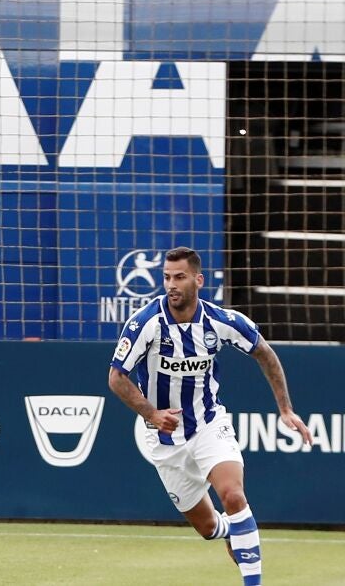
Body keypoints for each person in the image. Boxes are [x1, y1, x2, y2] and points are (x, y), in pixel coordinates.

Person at [108, 246, 312, 586]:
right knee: (207, 528)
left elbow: (265, 354)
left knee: (233, 496)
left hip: (208, 424)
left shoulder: (221, 321)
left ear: (198, 280)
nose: (171, 285)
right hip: (164, 439)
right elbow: (116, 377)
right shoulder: (146, 322)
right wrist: (152, 413)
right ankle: (231, 531)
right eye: (167, 277)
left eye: (180, 277)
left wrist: (285, 409)